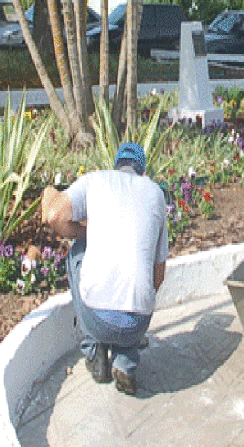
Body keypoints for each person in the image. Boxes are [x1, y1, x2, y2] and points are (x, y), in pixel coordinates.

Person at [42, 141, 169, 395]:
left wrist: (87, 233)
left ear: (116, 166)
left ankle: (95, 352)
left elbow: (54, 216)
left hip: (97, 319)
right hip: (138, 324)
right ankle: (125, 360)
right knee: (136, 280)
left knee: (77, 252)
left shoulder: (96, 181)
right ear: (142, 171)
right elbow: (158, 276)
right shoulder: (155, 193)